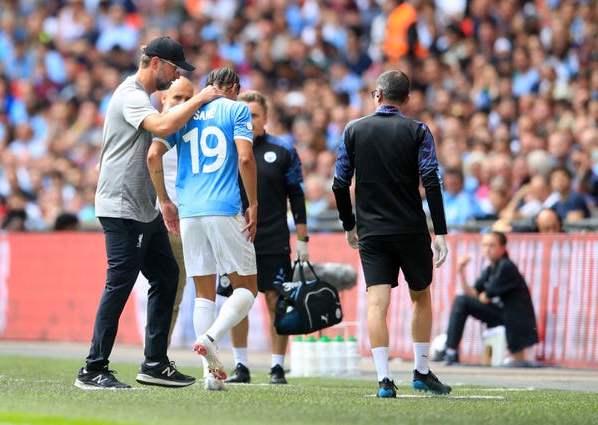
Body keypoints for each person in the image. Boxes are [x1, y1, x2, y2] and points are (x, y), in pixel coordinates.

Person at [74, 36, 221, 390]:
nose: (174, 76)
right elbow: (161, 128)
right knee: (120, 283)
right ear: (155, 63)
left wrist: (163, 201)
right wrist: (201, 97)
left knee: (167, 275)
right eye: (173, 68)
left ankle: (154, 362)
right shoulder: (131, 96)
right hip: (123, 206)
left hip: (143, 208)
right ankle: (93, 368)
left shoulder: (141, 98)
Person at [332, 69, 451, 398]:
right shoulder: (418, 130)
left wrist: (348, 223)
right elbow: (431, 181)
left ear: (377, 95)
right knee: (420, 296)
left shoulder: (353, 130)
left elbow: (340, 183)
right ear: (407, 100)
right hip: (411, 229)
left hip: (372, 231)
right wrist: (440, 231)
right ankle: (422, 371)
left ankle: (384, 380)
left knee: (377, 304)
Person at [148, 67, 257, 391]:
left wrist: (165, 199)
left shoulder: (185, 113)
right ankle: (211, 337)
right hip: (224, 208)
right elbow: (246, 159)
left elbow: (154, 154)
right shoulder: (236, 109)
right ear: (234, 88)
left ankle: (211, 376)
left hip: (189, 212)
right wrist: (254, 203)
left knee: (203, 294)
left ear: (208, 86)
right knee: (247, 289)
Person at [223, 90, 309, 385]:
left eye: (254, 115)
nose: (248, 120)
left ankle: (276, 366)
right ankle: (241, 365)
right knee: (238, 302)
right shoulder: (227, 149)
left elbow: (297, 194)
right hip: (236, 238)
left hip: (273, 238)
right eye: (243, 115)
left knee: (276, 302)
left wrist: (303, 238)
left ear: (266, 118)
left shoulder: (283, 150)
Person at [434, 231, 539, 365]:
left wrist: (481, 296)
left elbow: (485, 298)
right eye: (484, 245)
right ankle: (450, 350)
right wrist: (460, 270)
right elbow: (472, 293)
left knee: (462, 301)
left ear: (502, 248)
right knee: (461, 301)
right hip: (503, 315)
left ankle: (450, 351)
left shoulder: (506, 266)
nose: (487, 249)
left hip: (515, 320)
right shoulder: (491, 268)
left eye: (491, 246)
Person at [155, 75, 195, 338]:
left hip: (179, 222)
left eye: (187, 99)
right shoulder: (149, 126)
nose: (182, 103)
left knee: (173, 292)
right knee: (119, 287)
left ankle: (158, 356)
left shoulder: (194, 131)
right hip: (148, 216)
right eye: (177, 97)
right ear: (163, 98)